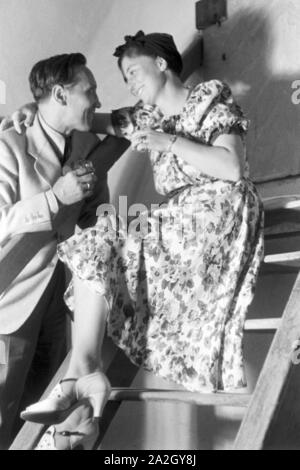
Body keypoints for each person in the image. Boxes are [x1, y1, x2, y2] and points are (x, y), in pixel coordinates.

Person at [3, 31, 264, 449]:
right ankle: (84, 373)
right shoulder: (146, 116)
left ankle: (79, 406)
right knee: (98, 240)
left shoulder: (209, 96)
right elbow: (88, 117)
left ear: (161, 64)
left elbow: (233, 167)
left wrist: (169, 142)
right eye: (123, 78)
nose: (128, 83)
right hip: (175, 221)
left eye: (132, 72)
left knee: (109, 237)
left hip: (219, 212)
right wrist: (31, 111)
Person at [0, 52, 128, 449]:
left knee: (40, 407)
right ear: (59, 93)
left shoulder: (90, 145)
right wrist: (55, 199)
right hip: (13, 297)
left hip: (62, 295)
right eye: (89, 90)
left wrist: (107, 223)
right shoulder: (9, 143)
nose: (97, 97)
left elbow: (96, 213)